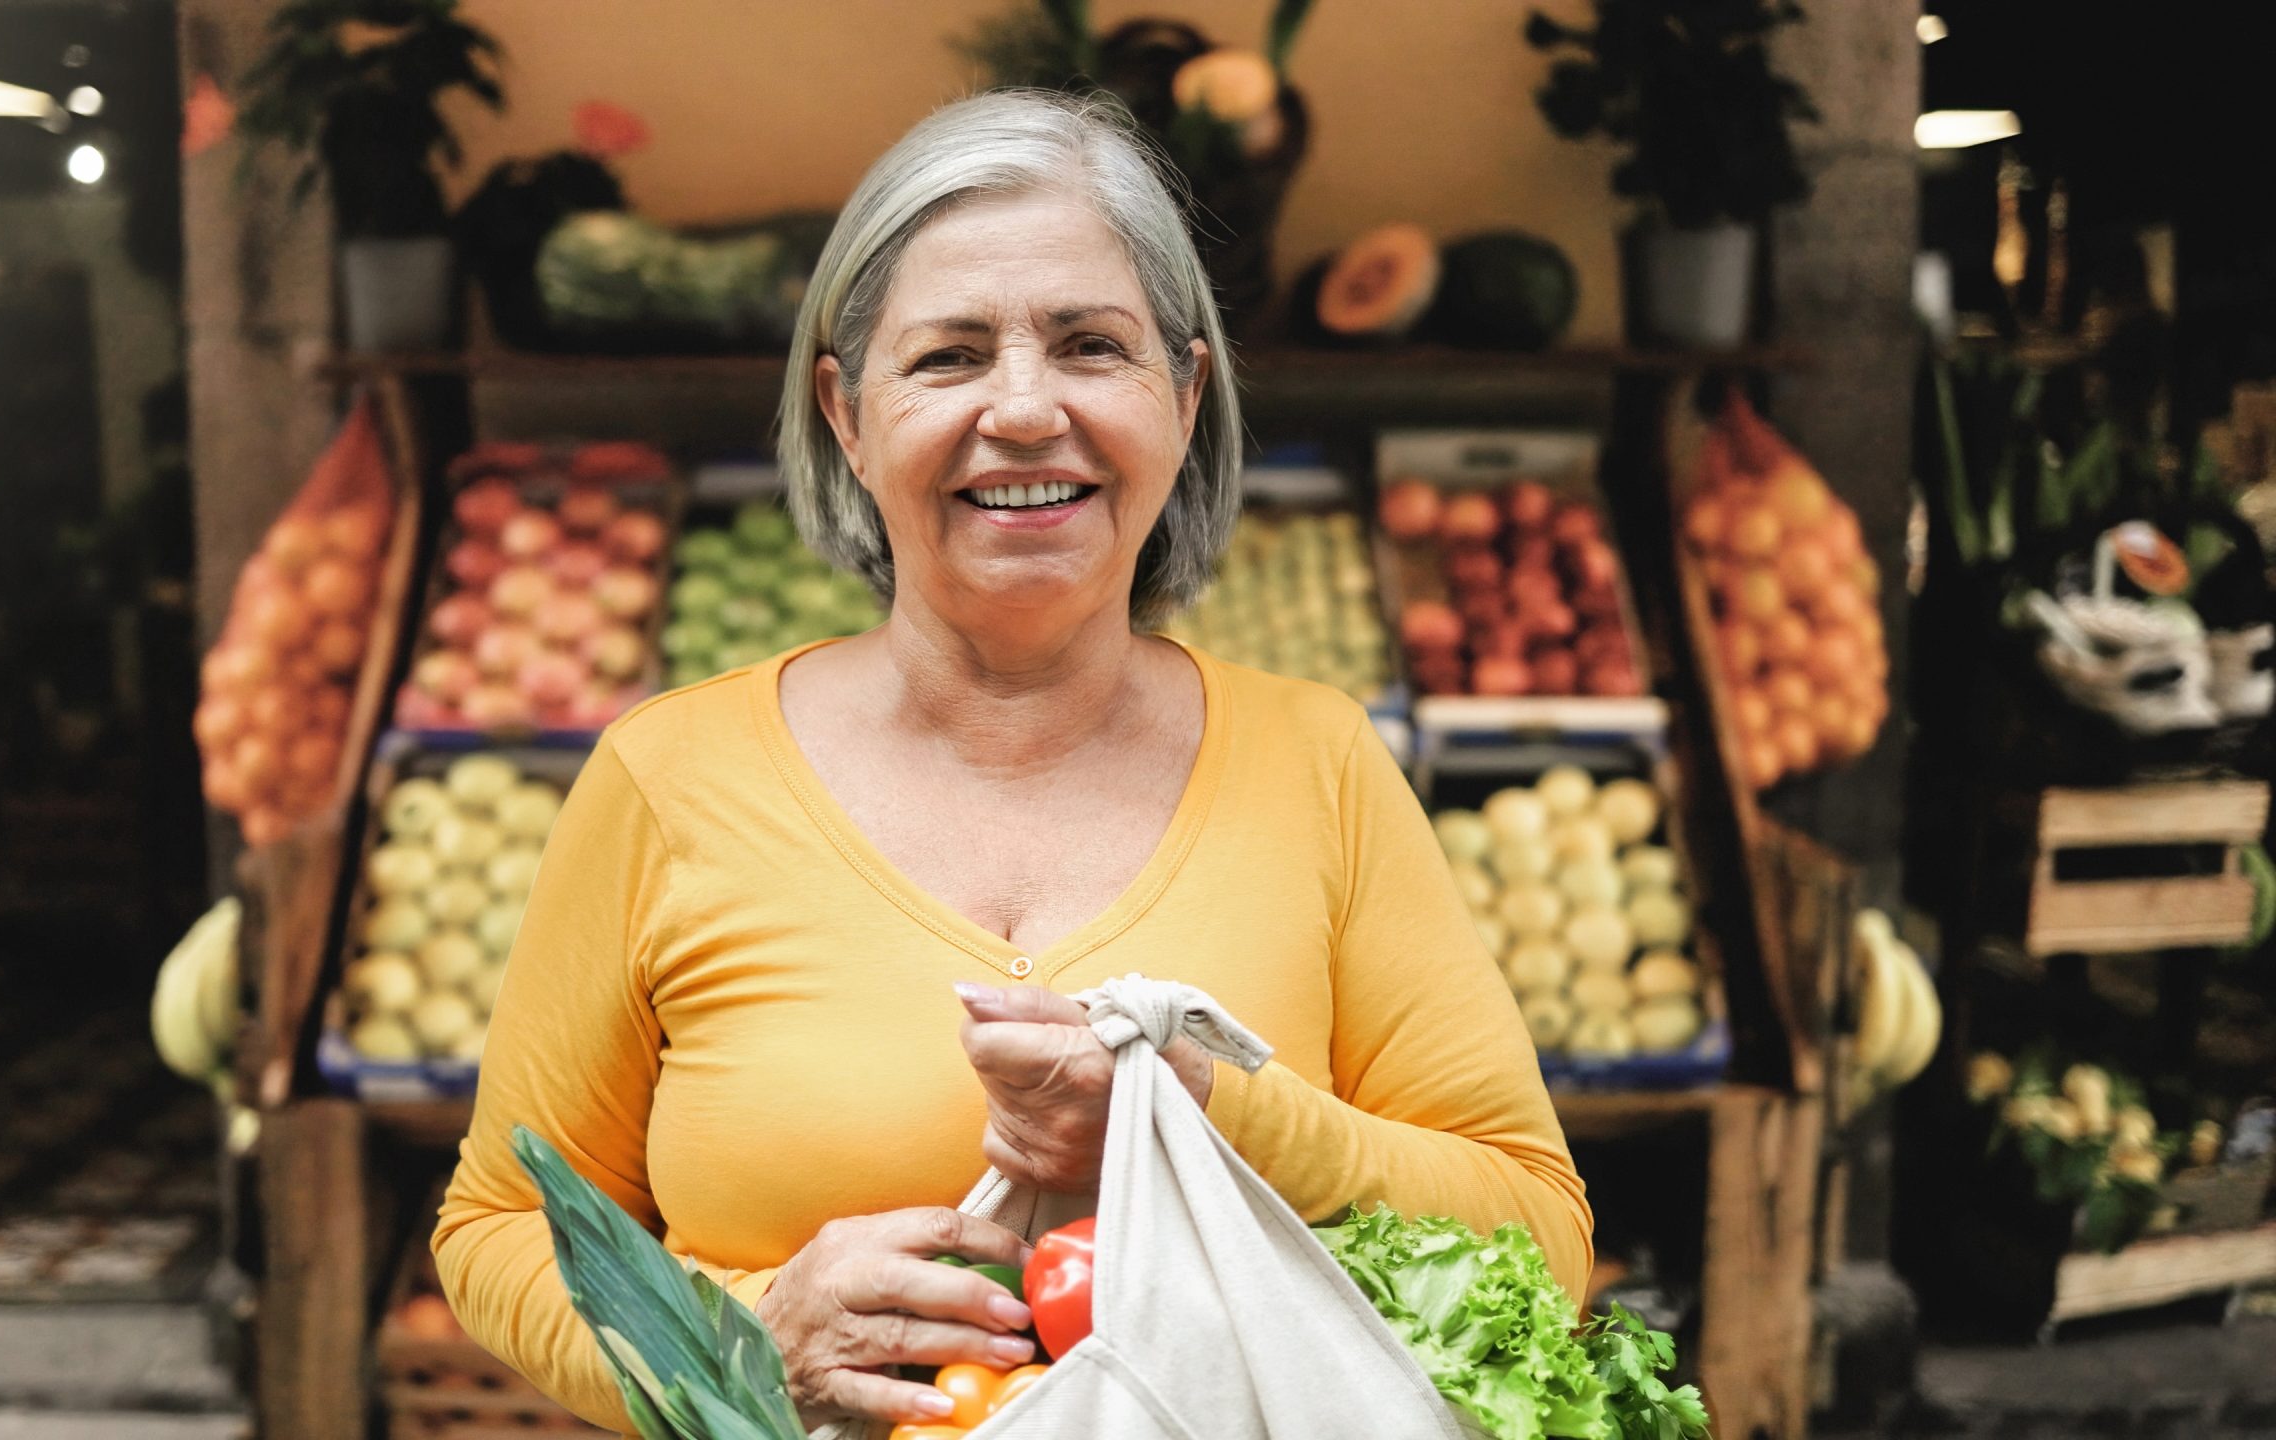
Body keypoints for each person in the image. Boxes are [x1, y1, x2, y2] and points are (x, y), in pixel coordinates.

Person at [434, 89, 1589, 1435]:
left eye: (1092, 345)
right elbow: (501, 1225)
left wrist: (1207, 1121)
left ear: (1185, 392)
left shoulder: (1319, 767)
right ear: (848, 414)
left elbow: (1538, 1240)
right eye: (950, 356)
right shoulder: (669, 781)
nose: (1025, 410)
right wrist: (736, 1339)